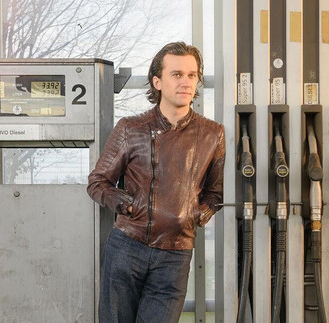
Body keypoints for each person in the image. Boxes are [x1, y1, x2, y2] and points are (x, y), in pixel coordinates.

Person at [87, 42, 225, 323]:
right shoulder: (130, 128)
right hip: (127, 246)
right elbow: (98, 182)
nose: (185, 82)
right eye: (176, 74)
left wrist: (197, 214)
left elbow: (215, 192)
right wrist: (126, 204)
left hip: (176, 254)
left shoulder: (213, 134)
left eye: (191, 75)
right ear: (157, 81)